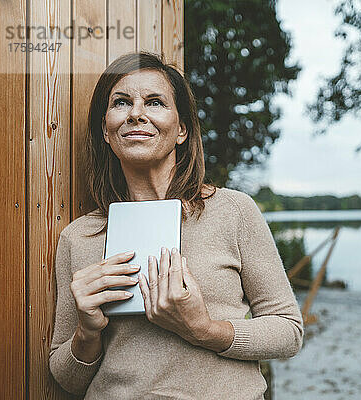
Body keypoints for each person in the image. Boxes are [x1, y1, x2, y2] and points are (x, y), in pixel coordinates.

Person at [48, 52, 304, 399]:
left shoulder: (233, 211)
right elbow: (66, 378)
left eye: (154, 102)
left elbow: (288, 331)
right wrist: (87, 332)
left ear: (181, 129)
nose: (136, 113)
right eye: (121, 102)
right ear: (106, 131)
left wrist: (204, 329)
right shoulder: (78, 238)